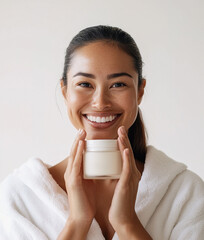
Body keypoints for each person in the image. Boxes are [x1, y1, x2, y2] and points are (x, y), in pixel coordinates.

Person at [0, 25, 203, 240]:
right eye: (85, 84)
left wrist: (127, 223)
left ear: (140, 91)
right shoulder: (20, 196)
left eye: (118, 84)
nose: (100, 103)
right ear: (65, 91)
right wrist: (77, 222)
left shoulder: (185, 193)